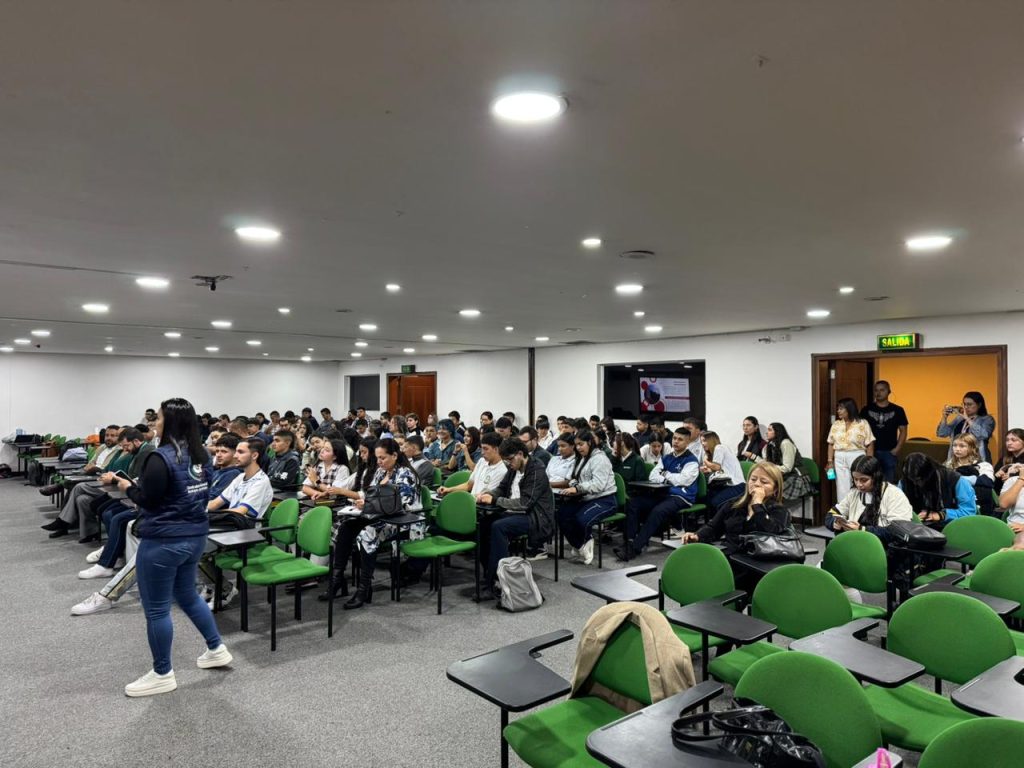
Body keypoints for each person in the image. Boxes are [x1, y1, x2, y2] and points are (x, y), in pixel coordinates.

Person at [118, 398, 230, 697]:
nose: (154, 422)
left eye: (158, 418)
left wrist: (127, 488)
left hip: (164, 540)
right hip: (195, 536)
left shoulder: (160, 457)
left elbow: (148, 500)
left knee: (156, 609)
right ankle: (216, 648)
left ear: (170, 422)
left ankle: (162, 673)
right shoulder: (201, 456)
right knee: (187, 595)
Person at [680, 463, 790, 590]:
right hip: (731, 559)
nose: (757, 484)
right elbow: (713, 527)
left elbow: (770, 531)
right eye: (753, 479)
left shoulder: (779, 510)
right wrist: (697, 535)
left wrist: (757, 505)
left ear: (775, 489)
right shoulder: (734, 504)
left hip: (758, 565)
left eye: (764, 482)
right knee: (697, 575)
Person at [341, 438, 421, 610]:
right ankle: (337, 579)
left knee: (367, 534)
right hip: (381, 517)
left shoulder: (405, 474)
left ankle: (364, 588)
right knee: (346, 526)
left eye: (382, 458)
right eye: (377, 458)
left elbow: (401, 505)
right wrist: (363, 502)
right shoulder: (380, 472)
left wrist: (369, 504)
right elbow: (370, 494)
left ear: (394, 455)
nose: (379, 462)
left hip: (405, 521)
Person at [475, 437, 555, 599]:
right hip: (513, 512)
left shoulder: (536, 470)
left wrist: (495, 500)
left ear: (520, 454)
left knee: (499, 527)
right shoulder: (514, 467)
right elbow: (502, 488)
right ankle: (492, 574)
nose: (508, 463)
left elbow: (525, 503)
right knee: (482, 524)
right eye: (506, 460)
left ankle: (496, 581)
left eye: (510, 459)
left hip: (535, 517)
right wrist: (488, 494)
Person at [616, 427, 700, 561]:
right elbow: (653, 475)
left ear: (688, 442)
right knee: (633, 503)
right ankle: (629, 541)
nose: (676, 441)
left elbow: (683, 480)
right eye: (674, 438)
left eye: (680, 439)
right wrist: (669, 479)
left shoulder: (691, 461)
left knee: (657, 511)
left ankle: (635, 548)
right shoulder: (667, 457)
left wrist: (665, 474)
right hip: (663, 493)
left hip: (682, 497)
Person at [555, 429, 617, 565]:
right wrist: (574, 485)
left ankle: (586, 542)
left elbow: (599, 485)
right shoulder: (581, 458)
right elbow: (573, 478)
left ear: (589, 442)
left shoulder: (600, 459)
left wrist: (578, 488)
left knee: (581, 519)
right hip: (586, 497)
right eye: (576, 445)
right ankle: (580, 545)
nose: (578, 448)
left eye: (581, 444)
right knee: (562, 514)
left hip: (605, 499)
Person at [825, 454, 913, 541]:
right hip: (857, 542)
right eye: (855, 479)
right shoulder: (854, 493)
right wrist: (835, 523)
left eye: (864, 480)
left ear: (876, 477)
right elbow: (830, 515)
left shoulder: (894, 495)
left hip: (883, 546)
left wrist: (862, 529)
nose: (859, 484)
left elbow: (897, 532)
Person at [206, 438, 274, 527]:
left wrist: (211, 515)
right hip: (231, 523)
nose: (235, 456)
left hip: (245, 529)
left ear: (254, 456)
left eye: (240, 452)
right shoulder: (240, 477)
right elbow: (216, 503)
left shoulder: (261, 481)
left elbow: (240, 511)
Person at [900, 452, 976, 529]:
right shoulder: (905, 482)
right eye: (912, 480)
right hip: (915, 527)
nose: (916, 484)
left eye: (919, 480)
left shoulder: (955, 480)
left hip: (948, 527)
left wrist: (941, 515)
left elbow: (969, 512)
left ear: (929, 473)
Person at [825, 398, 875, 499]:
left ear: (849, 409)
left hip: (857, 455)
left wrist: (869, 461)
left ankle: (861, 506)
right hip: (839, 456)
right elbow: (831, 443)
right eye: (838, 409)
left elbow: (870, 443)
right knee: (841, 486)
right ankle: (844, 507)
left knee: (860, 483)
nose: (838, 411)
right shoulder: (836, 424)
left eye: (841, 409)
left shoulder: (863, 423)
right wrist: (830, 461)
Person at [860, 381, 908, 482]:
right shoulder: (866, 410)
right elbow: (860, 429)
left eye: (882, 390)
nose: (879, 393)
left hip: (889, 452)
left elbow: (903, 431)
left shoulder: (898, 410)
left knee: (888, 483)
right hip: (870, 451)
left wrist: (897, 449)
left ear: (889, 391)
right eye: (876, 390)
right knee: (871, 481)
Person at [439, 432, 507, 500]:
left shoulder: (502, 471)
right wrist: (448, 490)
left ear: (496, 449)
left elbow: (485, 497)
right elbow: (468, 485)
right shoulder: (482, 461)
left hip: (480, 504)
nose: (482, 452)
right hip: (470, 501)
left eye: (485, 449)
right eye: (482, 448)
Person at [755, 422, 811, 502]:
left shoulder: (786, 443)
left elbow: (787, 468)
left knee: (771, 493)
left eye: (770, 430)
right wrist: (754, 458)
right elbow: (767, 462)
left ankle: (774, 508)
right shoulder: (770, 445)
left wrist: (770, 468)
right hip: (780, 476)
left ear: (777, 432)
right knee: (760, 488)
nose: (767, 432)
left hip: (795, 477)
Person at [936, 391, 996, 463]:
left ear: (979, 405)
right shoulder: (959, 419)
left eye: (969, 404)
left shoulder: (987, 419)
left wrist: (967, 418)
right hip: (957, 459)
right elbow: (942, 433)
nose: (966, 407)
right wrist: (944, 418)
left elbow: (983, 435)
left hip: (977, 459)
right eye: (964, 404)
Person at [945, 434, 996, 516]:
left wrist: (959, 479)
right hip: (953, 503)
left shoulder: (983, 465)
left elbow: (988, 481)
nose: (957, 449)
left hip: (978, 503)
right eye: (954, 445)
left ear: (972, 447)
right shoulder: (948, 465)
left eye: (962, 446)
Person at [700, 431, 746, 508]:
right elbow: (721, 469)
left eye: (704, 441)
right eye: (701, 441)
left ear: (711, 440)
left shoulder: (719, 447)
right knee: (705, 499)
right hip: (726, 485)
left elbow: (716, 467)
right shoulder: (717, 451)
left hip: (737, 485)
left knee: (714, 502)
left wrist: (705, 460)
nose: (702, 444)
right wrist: (708, 470)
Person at [994, 428, 1024, 493]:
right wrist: (999, 476)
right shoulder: (1004, 459)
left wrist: (1011, 477)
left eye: (1013, 440)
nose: (1009, 443)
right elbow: (995, 484)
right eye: (1007, 440)